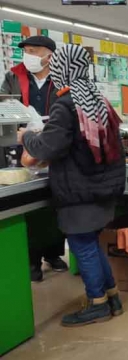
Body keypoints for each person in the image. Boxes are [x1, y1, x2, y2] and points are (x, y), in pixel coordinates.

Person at [18, 44, 126, 327]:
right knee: (91, 244)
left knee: (82, 245)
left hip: (80, 190)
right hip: (100, 187)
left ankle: (97, 303)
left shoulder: (66, 103)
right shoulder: (96, 97)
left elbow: (49, 146)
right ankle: (112, 296)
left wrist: (26, 136)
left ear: (63, 69)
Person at [1, 35, 67, 281]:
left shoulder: (62, 77)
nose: (28, 55)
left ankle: (53, 252)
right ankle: (32, 260)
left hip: (54, 146)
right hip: (23, 147)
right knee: (28, 203)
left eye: (33, 50)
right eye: (26, 51)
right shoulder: (14, 76)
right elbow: (3, 104)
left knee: (53, 201)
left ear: (48, 54)